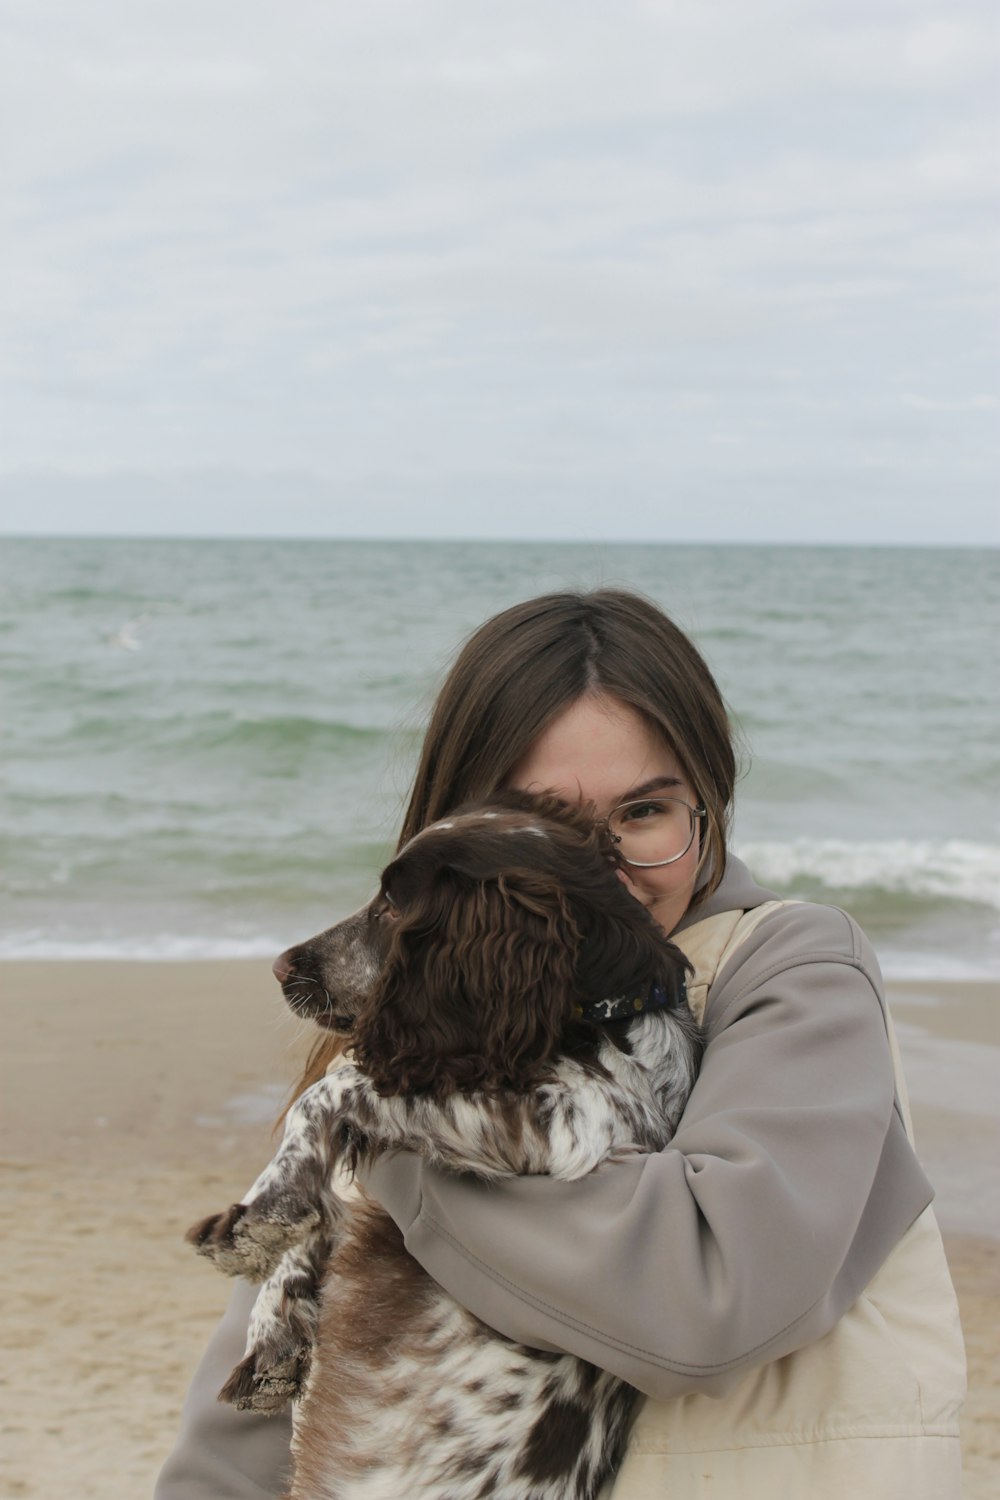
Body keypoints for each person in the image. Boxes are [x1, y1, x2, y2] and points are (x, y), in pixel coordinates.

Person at [156, 589, 965, 1499]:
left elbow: (709, 1299)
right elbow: (251, 1418)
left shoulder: (792, 970)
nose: (596, 868)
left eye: (644, 812)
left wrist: (394, 1134)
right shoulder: (418, 1024)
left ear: (708, 804)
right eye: (545, 821)